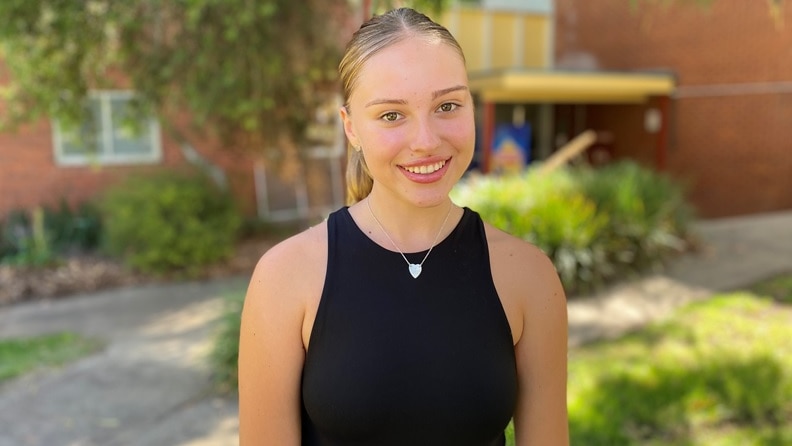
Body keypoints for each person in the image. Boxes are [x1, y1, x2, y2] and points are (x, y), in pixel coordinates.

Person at [238, 7, 568, 446]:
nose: (426, 141)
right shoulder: (285, 277)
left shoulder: (528, 276)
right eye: (392, 115)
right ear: (351, 127)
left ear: (473, 106)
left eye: (447, 105)